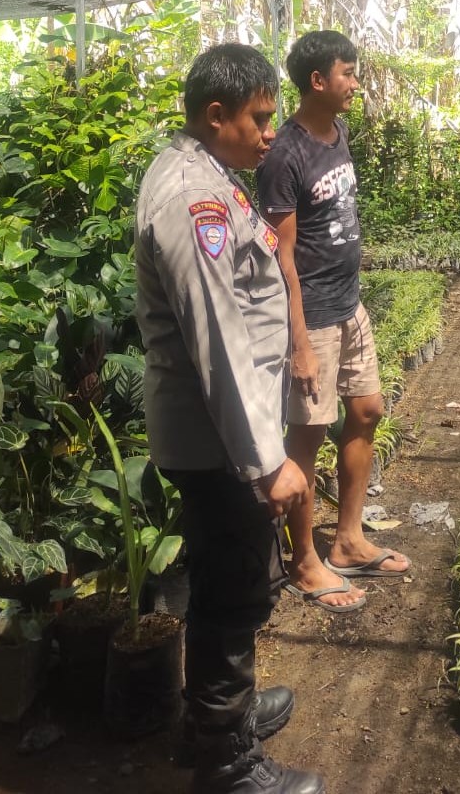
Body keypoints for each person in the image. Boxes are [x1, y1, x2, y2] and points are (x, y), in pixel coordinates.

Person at [134, 43, 324, 794]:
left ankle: (217, 716)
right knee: (231, 589)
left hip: (222, 437)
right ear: (217, 115)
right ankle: (224, 762)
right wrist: (264, 459)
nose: (269, 132)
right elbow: (216, 332)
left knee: (229, 578)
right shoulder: (192, 197)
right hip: (218, 443)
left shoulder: (209, 174)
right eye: (259, 118)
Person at [255, 30, 412, 613]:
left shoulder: (337, 130)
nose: (355, 83)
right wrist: (299, 343)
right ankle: (303, 562)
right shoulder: (284, 156)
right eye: (348, 74)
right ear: (317, 81)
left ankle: (346, 541)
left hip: (349, 303)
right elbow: (282, 256)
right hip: (312, 316)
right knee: (307, 437)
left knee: (367, 409)